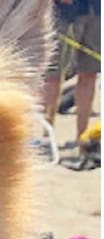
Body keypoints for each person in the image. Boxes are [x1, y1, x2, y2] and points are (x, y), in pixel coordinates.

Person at [45, 0, 101, 143]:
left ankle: (82, 137)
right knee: (52, 76)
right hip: (62, 12)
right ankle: (47, 135)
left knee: (89, 74)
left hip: (95, 10)